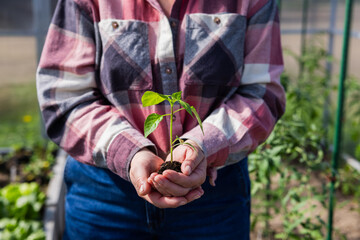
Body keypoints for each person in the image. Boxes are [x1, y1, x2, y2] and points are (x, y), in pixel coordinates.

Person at [36, 0, 285, 239]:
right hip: (104, 194)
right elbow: (65, 96)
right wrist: (130, 152)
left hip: (211, 196)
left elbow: (262, 93)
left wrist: (200, 145)